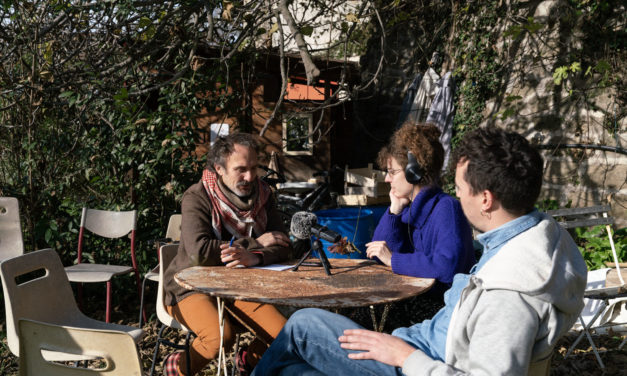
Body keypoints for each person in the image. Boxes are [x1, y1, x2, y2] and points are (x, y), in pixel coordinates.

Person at [251, 128, 587, 376]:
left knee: (302, 323)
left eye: (460, 189)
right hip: (420, 342)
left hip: (418, 360)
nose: (456, 196)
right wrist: (395, 210)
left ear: (485, 199)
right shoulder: (534, 238)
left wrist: (404, 356)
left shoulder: (511, 293)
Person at [162, 133, 292, 376]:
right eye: (240, 169)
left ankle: (249, 362)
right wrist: (254, 243)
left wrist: (256, 257)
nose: (250, 177)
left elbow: (284, 245)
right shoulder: (197, 196)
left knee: (286, 335)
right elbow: (199, 253)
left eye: (254, 168)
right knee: (220, 337)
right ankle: (176, 369)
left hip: (241, 286)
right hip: (190, 286)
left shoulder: (264, 195)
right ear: (219, 168)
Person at [366, 123, 475, 299]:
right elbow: (377, 255)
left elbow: (446, 267)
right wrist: (394, 212)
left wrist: (394, 260)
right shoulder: (406, 208)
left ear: (413, 172)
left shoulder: (446, 209)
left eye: (392, 172)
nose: (387, 179)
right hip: (409, 296)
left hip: (438, 307)